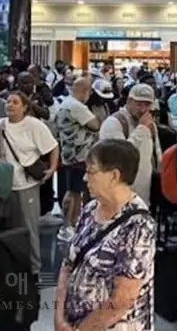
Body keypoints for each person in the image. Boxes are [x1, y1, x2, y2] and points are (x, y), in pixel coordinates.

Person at [55, 139, 156, 330]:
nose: (85, 178)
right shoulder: (90, 209)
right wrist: (59, 317)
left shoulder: (138, 225)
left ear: (114, 176)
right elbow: (68, 264)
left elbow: (122, 299)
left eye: (91, 171)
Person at [1, 91, 59, 278]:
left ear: (25, 107)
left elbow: (52, 147)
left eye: (15, 102)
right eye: (8, 101)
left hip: (26, 185)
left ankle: (34, 268)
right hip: (5, 186)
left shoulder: (34, 125)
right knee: (9, 227)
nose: (10, 105)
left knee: (30, 227)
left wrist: (52, 169)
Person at [54, 77, 101, 242]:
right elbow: (95, 125)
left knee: (72, 191)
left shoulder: (65, 103)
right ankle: (70, 226)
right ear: (85, 91)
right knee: (75, 193)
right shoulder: (77, 107)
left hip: (68, 154)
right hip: (80, 155)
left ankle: (68, 225)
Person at [101, 83, 160, 206]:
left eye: (147, 104)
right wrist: (141, 129)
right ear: (129, 101)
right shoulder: (114, 123)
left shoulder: (150, 124)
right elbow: (120, 156)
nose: (143, 109)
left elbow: (156, 152)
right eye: (139, 104)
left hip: (144, 196)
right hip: (117, 199)